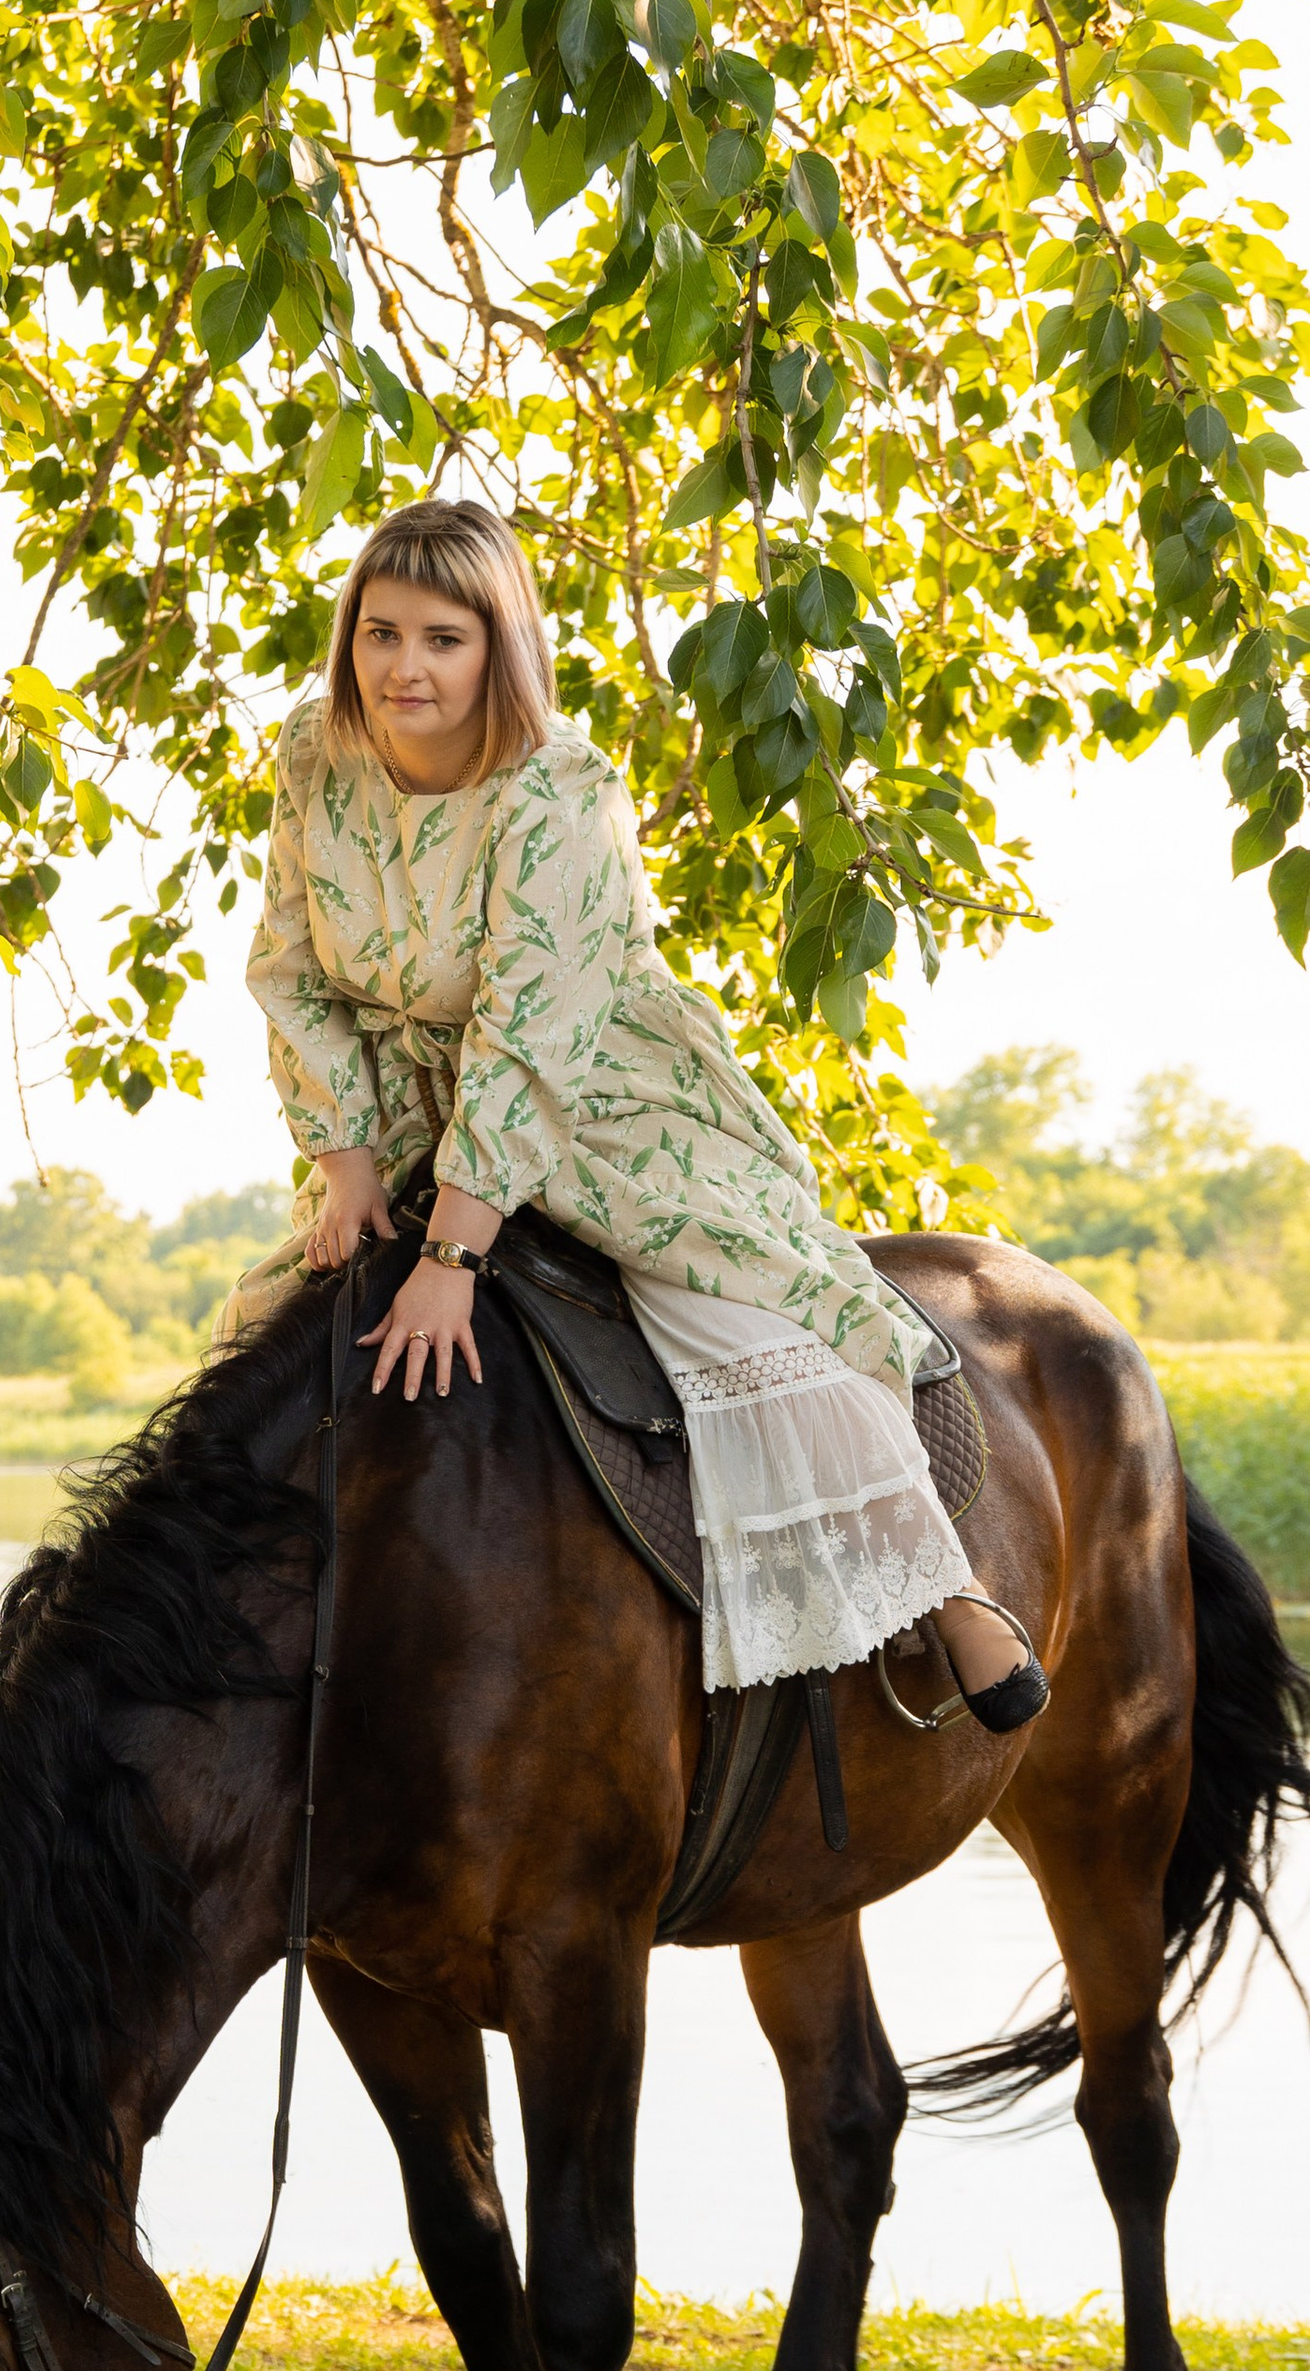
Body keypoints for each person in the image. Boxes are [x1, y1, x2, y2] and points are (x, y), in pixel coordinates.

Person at [226, 497, 1047, 1728]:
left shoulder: (559, 789)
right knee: (256, 1354)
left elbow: (531, 1033)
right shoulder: (312, 754)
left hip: (595, 1098)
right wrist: (342, 1161)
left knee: (737, 1316)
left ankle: (943, 1587)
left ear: (498, 647)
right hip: (390, 1112)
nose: (403, 668)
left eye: (442, 639)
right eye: (380, 632)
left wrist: (452, 1256)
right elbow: (288, 968)